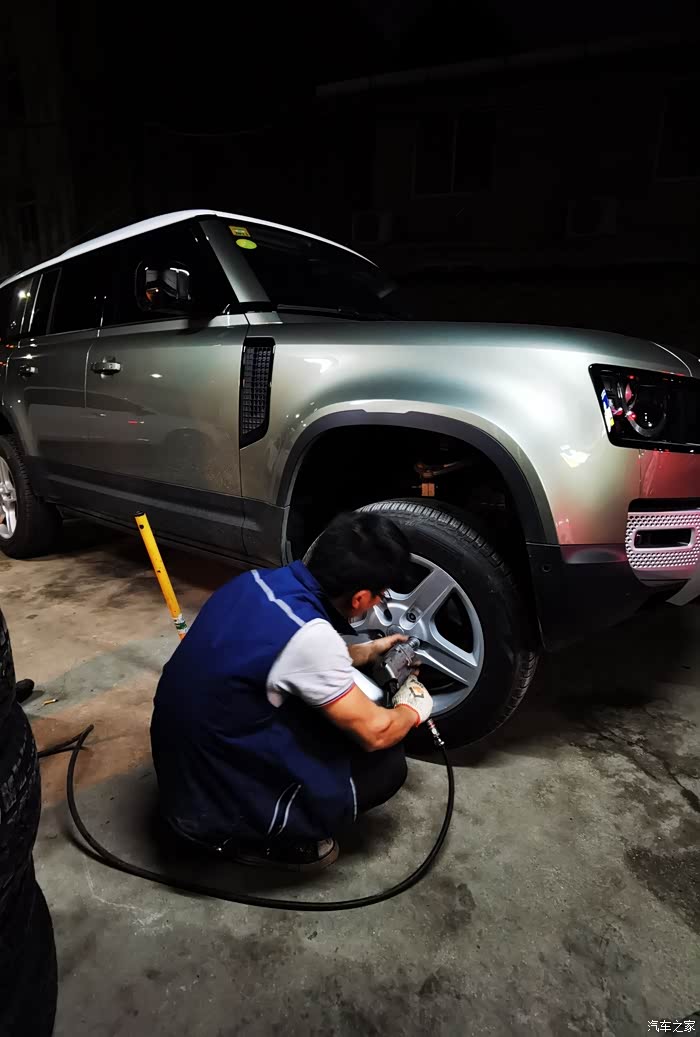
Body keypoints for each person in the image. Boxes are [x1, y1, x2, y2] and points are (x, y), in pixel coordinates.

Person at [150, 512, 433, 872]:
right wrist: (411, 708)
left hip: (184, 764)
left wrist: (364, 652)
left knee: (322, 720)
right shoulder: (312, 639)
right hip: (208, 806)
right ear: (361, 598)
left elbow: (279, 654)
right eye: (381, 595)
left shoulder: (255, 581)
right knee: (385, 766)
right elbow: (376, 732)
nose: (380, 602)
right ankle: (256, 839)